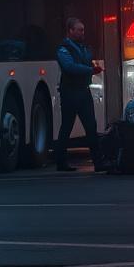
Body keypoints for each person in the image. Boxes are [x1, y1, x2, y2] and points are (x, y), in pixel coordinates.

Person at [54, 17, 107, 172]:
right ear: (70, 31)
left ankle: (98, 162)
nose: (82, 32)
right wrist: (91, 70)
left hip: (83, 90)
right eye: (79, 30)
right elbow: (69, 67)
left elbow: (85, 62)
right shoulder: (63, 49)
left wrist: (93, 67)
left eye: (83, 29)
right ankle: (61, 163)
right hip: (70, 92)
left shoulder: (82, 47)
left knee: (91, 127)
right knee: (67, 127)